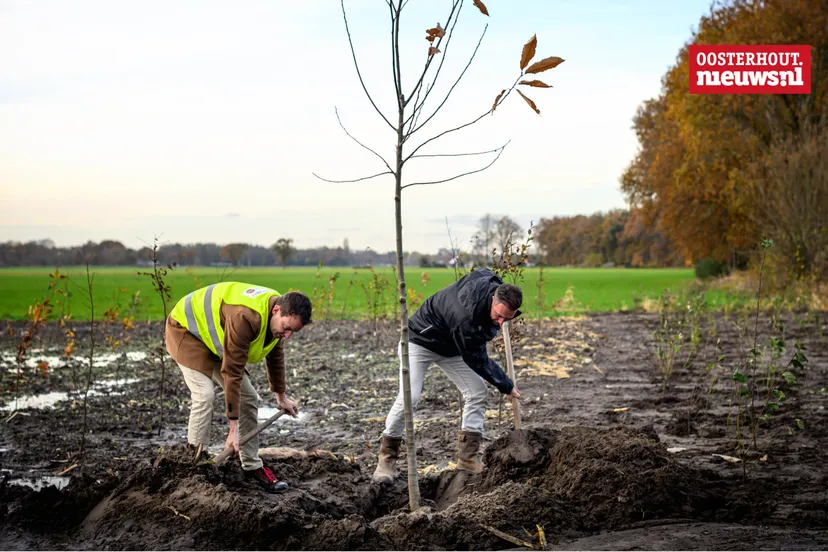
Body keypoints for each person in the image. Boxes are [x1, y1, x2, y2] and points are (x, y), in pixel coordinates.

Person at [372, 268, 522, 484]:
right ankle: (386, 459)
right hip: (419, 342)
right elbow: (477, 359)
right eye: (498, 316)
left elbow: (483, 271)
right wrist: (506, 385)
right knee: (409, 397)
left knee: (477, 391)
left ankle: (468, 458)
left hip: (451, 347)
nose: (500, 322)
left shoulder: (492, 285)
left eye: (506, 319)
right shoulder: (464, 316)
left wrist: (497, 320)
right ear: (492, 300)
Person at [165, 282, 312, 492]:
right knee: (204, 394)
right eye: (287, 329)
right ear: (277, 310)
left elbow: (275, 354)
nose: (287, 335)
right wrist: (233, 430)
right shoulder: (246, 316)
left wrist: (281, 396)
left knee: (249, 397)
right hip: (187, 331)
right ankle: (194, 463)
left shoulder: (278, 316)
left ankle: (252, 465)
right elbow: (232, 372)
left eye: (293, 332)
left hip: (217, 339)